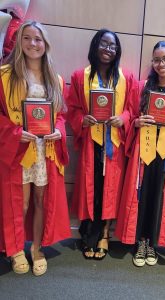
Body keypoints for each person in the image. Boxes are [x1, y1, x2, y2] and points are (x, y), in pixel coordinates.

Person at [0, 20, 70, 276]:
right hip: (18, 149)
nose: (33, 43)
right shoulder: (5, 76)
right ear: (19, 42)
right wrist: (15, 133)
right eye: (27, 38)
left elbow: (60, 115)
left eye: (38, 39)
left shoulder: (56, 79)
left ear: (45, 44)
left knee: (41, 200)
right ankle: (17, 248)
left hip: (44, 150)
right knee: (22, 203)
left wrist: (58, 131)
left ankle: (37, 248)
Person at [115, 41, 165, 267]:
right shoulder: (141, 87)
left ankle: (151, 243)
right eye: (157, 60)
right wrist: (137, 122)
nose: (161, 64)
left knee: (159, 200)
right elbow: (129, 116)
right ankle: (140, 242)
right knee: (143, 197)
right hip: (144, 153)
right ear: (153, 62)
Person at [67, 28, 137, 260]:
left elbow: (132, 110)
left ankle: (105, 233)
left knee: (111, 189)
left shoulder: (127, 78)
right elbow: (74, 110)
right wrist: (82, 120)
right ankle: (88, 234)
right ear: (95, 46)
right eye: (104, 44)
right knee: (92, 188)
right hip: (91, 141)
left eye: (113, 46)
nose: (108, 49)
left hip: (114, 143)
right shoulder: (80, 76)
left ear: (117, 51)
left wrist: (123, 119)